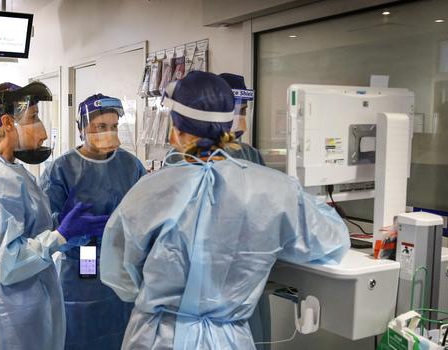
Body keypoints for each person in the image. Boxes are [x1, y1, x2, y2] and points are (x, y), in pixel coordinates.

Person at [100, 71, 350, 350]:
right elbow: (332, 241)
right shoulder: (274, 189)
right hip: (228, 340)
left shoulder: (149, 192)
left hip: (156, 338)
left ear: (177, 130)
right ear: (229, 126)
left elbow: (119, 275)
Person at [0, 82, 109, 350]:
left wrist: (63, 228)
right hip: (4, 311)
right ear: (7, 123)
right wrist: (60, 236)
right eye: (33, 118)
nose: (43, 133)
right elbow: (7, 263)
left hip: (24, 300)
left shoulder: (10, 168)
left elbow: (25, 232)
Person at [39, 94, 146, 350]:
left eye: (114, 127)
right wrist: (70, 232)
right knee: (83, 325)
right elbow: (45, 224)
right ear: (82, 128)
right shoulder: (61, 169)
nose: (109, 133)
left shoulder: (130, 165)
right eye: (101, 127)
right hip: (84, 257)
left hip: (122, 258)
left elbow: (145, 214)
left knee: (121, 324)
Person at [165, 73, 263, 166]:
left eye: (242, 111)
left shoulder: (250, 154)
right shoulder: (177, 156)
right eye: (233, 111)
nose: (238, 117)